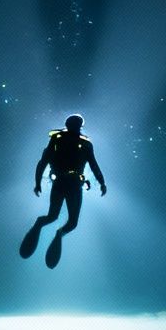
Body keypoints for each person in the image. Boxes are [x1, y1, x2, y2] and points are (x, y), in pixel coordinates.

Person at [19, 113, 107, 269]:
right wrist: (37, 182)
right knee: (60, 219)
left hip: (69, 184)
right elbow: (44, 161)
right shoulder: (59, 140)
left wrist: (102, 182)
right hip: (65, 184)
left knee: (65, 221)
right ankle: (47, 228)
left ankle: (54, 231)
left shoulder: (81, 143)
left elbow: (93, 165)